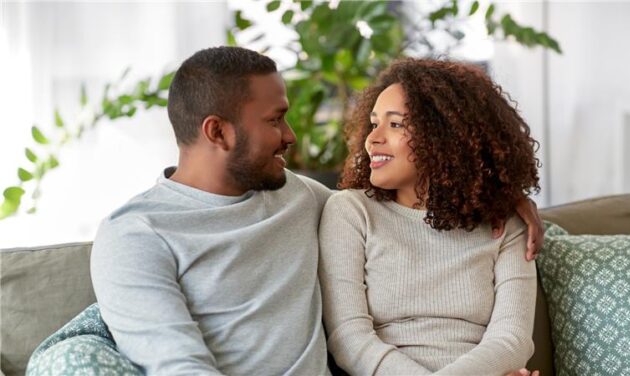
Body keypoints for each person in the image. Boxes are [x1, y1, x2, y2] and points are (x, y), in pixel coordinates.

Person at [87, 47, 543, 374]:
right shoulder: (135, 235)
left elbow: (406, 213)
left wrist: (504, 196)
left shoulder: (300, 197)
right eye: (274, 120)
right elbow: (179, 367)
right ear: (218, 132)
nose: (291, 136)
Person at [319, 58, 541, 376]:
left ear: (446, 137)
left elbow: (512, 341)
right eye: (373, 123)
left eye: (395, 124)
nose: (372, 139)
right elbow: (349, 340)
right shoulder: (351, 213)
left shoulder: (507, 225)